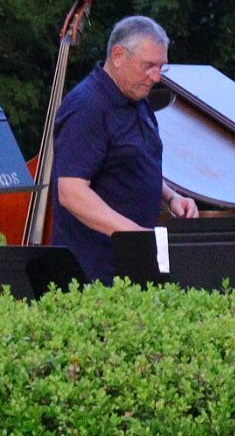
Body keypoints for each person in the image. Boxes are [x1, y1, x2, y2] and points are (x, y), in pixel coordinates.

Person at [48, 14, 201, 284]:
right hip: (94, 274)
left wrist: (171, 197)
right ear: (118, 56)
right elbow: (71, 192)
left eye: (161, 67)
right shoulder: (87, 106)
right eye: (148, 66)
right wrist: (134, 235)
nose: (156, 77)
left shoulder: (137, 99)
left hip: (132, 265)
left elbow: (133, 164)